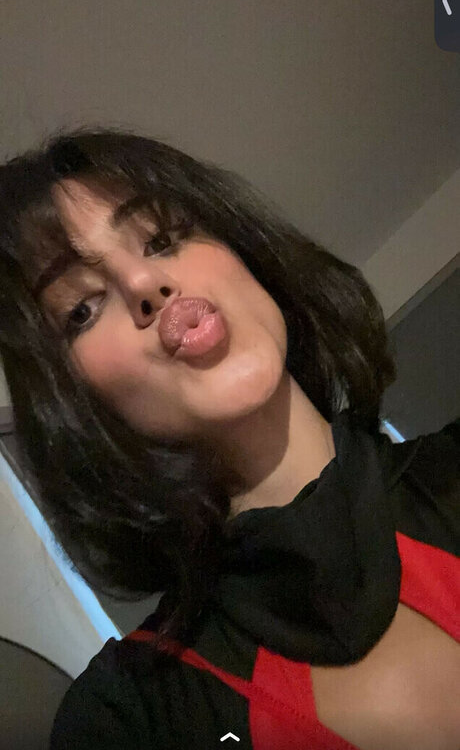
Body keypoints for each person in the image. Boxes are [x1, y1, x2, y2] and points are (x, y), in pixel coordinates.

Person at [0, 128, 458, 750]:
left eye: (162, 239)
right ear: (72, 407)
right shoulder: (133, 720)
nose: (145, 282)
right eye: (81, 307)